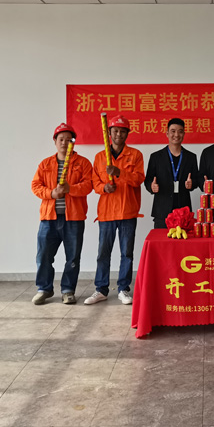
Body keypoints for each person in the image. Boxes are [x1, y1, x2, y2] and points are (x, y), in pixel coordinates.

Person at [85, 114, 145, 305]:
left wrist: (119, 172)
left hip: (128, 211)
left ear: (127, 133)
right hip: (106, 213)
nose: (119, 134)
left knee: (126, 253)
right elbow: (94, 183)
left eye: (122, 131)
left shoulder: (135, 155)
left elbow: (138, 179)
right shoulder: (100, 157)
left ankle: (123, 289)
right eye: (115, 131)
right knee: (103, 253)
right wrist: (104, 188)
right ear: (109, 133)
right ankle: (101, 289)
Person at [30, 123, 93, 305]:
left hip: (73, 218)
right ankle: (44, 288)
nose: (64, 143)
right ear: (55, 141)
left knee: (72, 257)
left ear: (74, 142)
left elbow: (88, 185)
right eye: (61, 139)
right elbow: (35, 185)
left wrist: (70, 189)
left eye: (68, 139)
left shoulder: (83, 163)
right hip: (48, 218)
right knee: (43, 256)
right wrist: (52, 193)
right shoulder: (45, 164)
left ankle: (68, 290)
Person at [144, 118, 199, 229]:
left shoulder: (191, 157)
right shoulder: (156, 157)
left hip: (183, 210)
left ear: (184, 134)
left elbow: (196, 179)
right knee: (161, 239)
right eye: (173, 131)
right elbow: (148, 180)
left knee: (184, 240)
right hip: (162, 210)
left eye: (180, 131)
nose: (176, 135)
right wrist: (151, 187)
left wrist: (192, 184)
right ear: (167, 133)